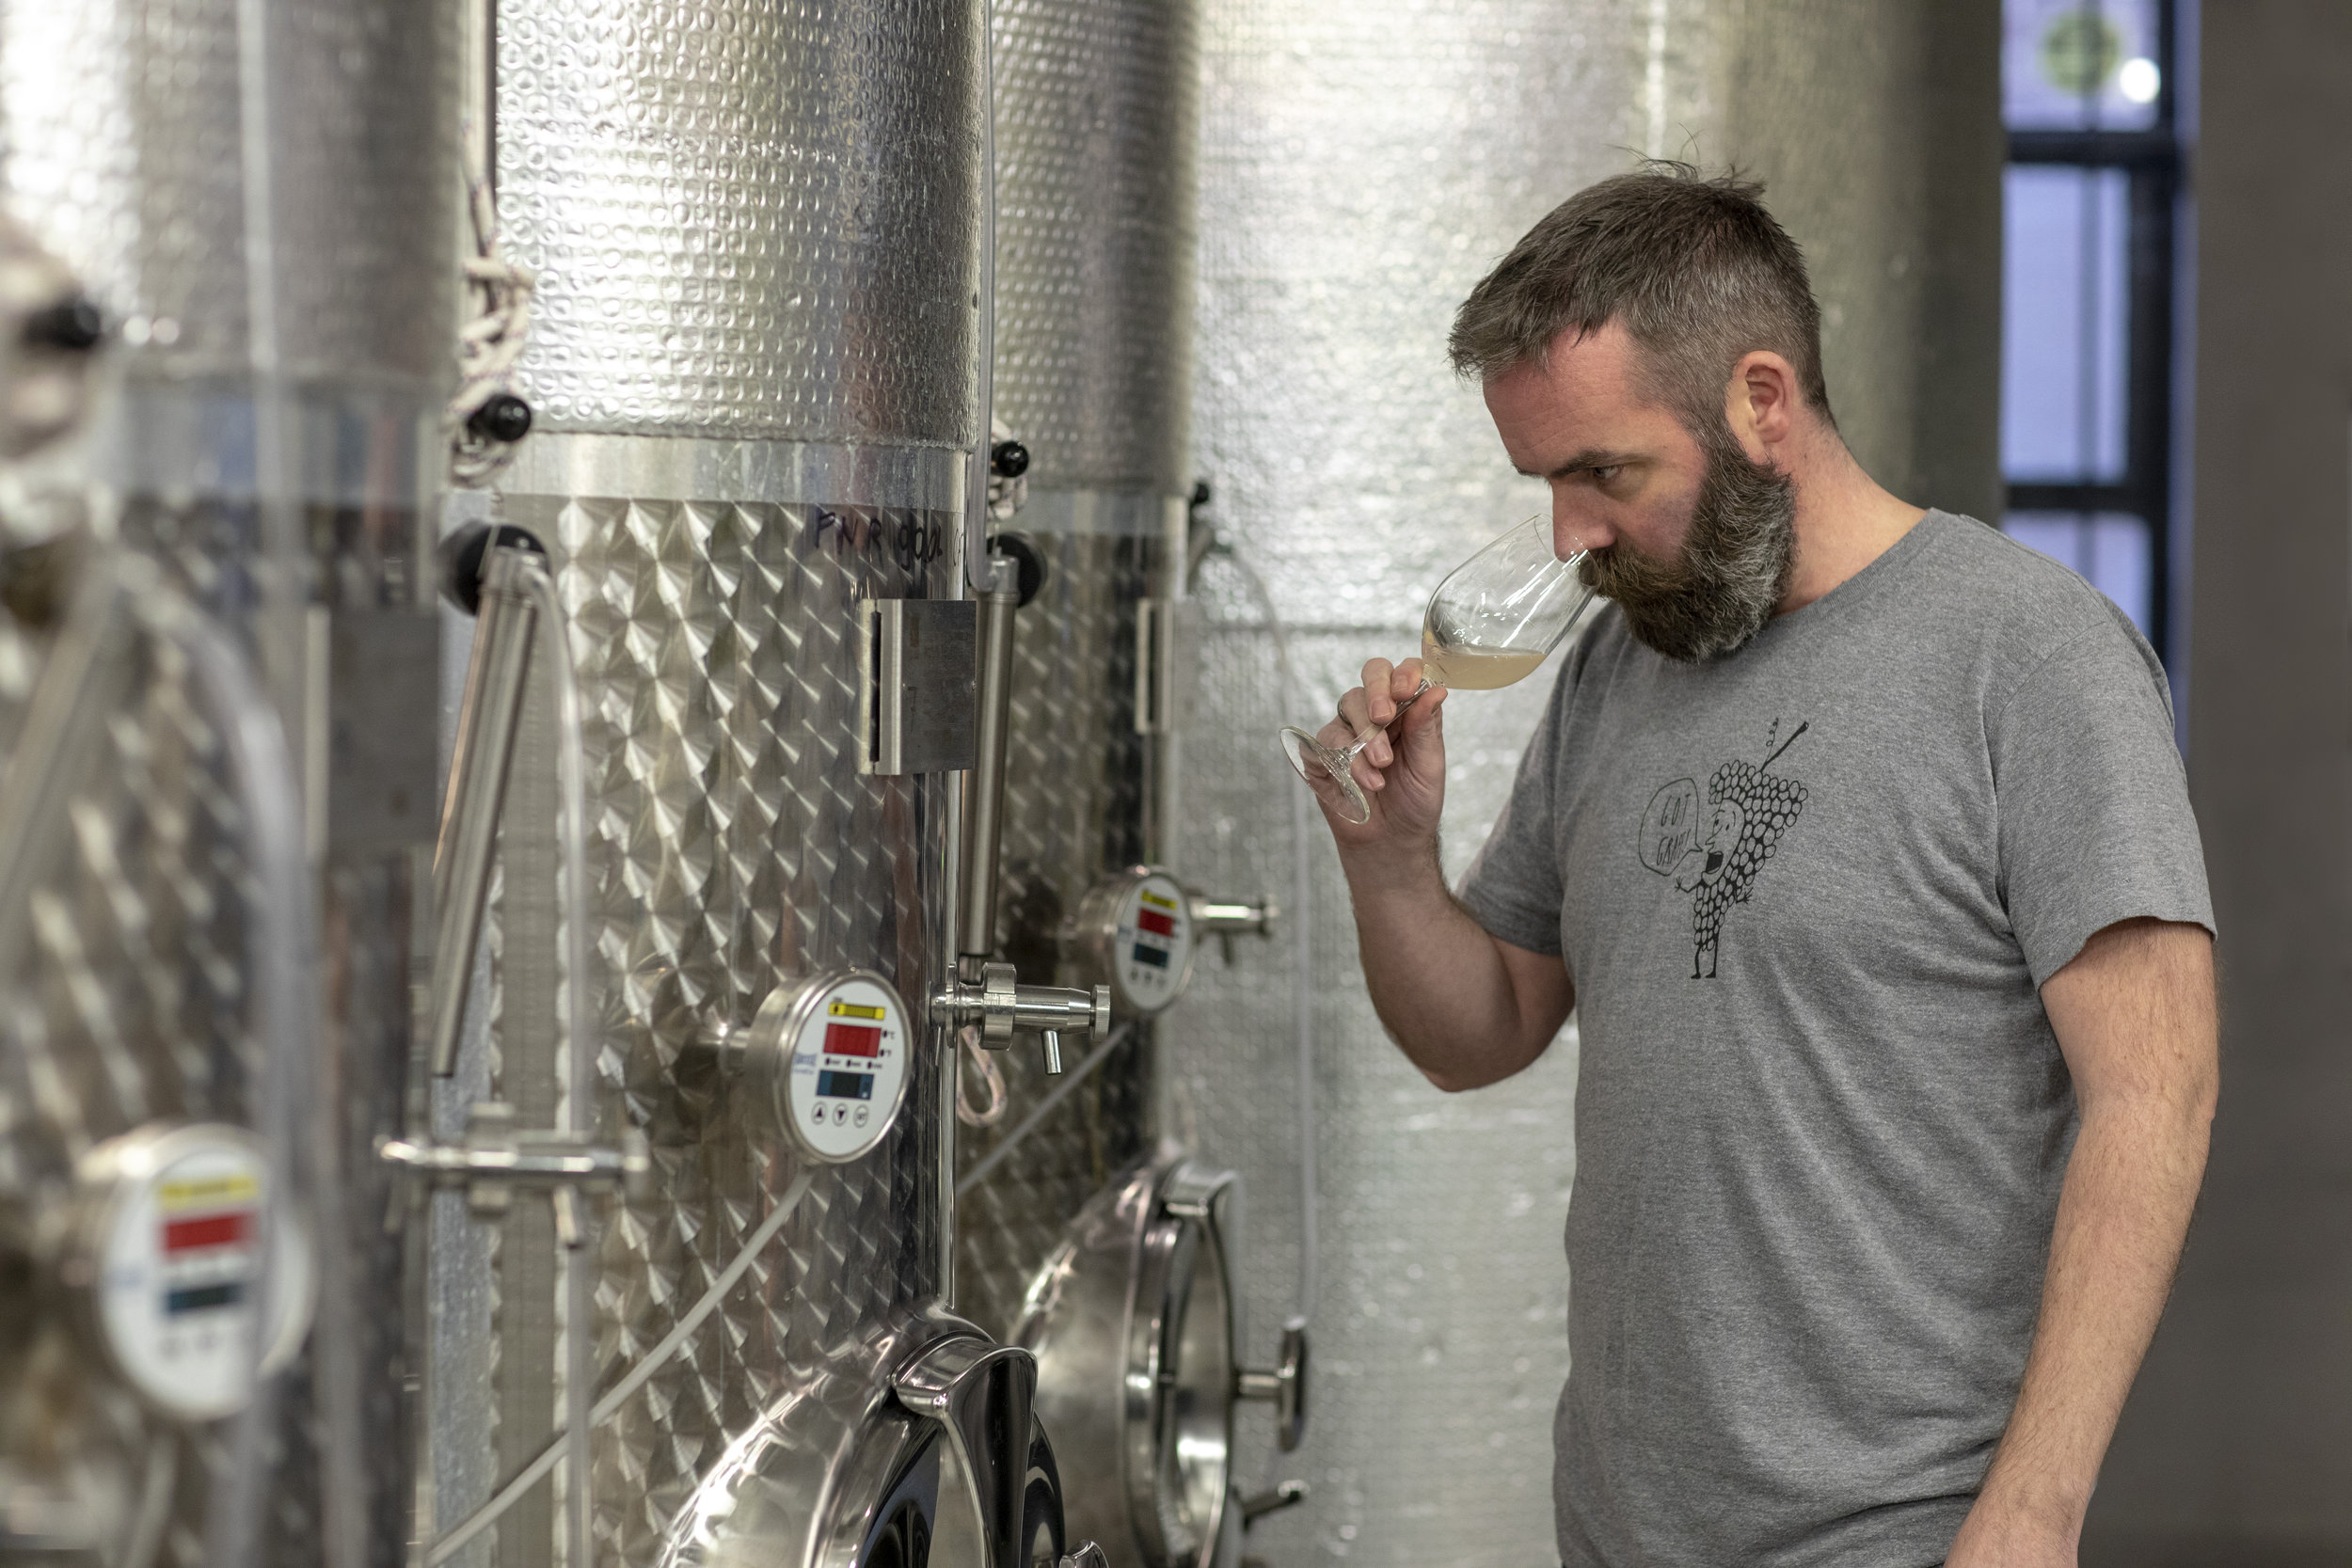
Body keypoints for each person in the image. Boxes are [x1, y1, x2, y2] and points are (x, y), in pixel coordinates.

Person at [1310, 166, 2217, 1567]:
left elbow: (2156, 1098)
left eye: (1603, 471)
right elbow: (1479, 1032)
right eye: (1545, 483)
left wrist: (2034, 1516)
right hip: (1621, 1530)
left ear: (1761, 401)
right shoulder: (1624, 662)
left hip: (1904, 1535)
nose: (1572, 536)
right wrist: (1391, 866)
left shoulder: (2028, 658)